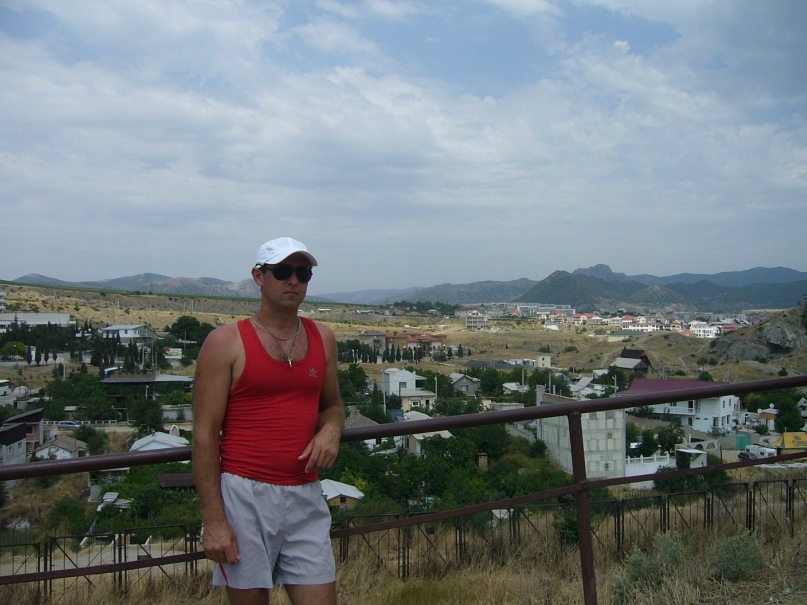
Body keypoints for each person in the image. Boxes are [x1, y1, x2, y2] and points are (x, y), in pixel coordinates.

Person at [193, 236, 344, 605]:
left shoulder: (323, 338)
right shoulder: (225, 343)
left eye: (303, 273)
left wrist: (331, 430)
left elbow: (332, 405)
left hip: (305, 492)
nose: (293, 280)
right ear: (258, 276)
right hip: (244, 496)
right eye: (283, 271)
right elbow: (204, 435)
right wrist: (214, 521)